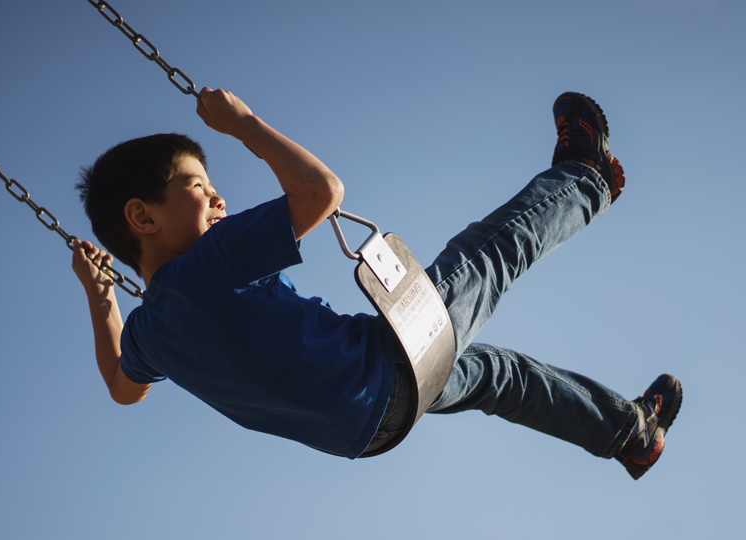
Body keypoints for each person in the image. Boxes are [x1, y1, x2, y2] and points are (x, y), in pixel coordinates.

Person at [72, 89, 681, 480]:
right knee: (486, 256)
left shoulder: (149, 330)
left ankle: (629, 432)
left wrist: (103, 302)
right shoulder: (209, 263)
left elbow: (123, 387)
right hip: (381, 370)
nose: (217, 196)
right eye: (198, 186)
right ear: (143, 217)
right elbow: (320, 193)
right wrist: (243, 124)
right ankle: (586, 178)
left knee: (500, 377)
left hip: (365, 429)